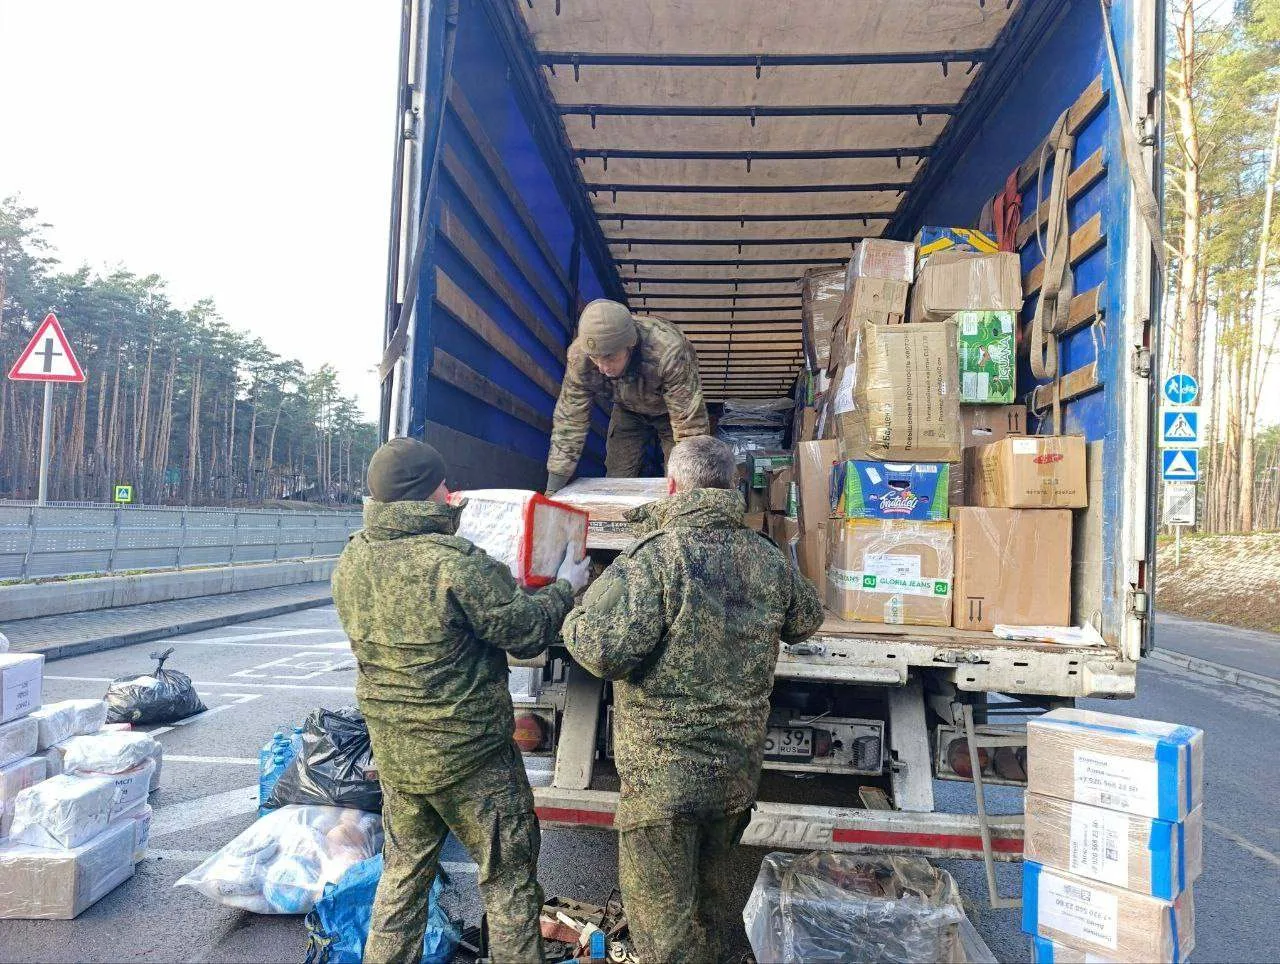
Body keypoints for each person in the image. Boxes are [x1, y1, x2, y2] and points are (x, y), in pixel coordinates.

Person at [561, 436, 824, 963]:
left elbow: (603, 652)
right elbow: (806, 619)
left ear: (672, 486)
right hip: (733, 775)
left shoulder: (654, 558)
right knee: (711, 906)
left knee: (664, 930)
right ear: (733, 486)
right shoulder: (765, 557)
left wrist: (573, 607)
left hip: (662, 783)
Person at [331, 437, 591, 964]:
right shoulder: (456, 564)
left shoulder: (352, 560)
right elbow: (526, 633)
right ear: (430, 492)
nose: (450, 490)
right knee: (509, 882)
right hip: (472, 759)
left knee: (402, 880)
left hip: (399, 756)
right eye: (443, 482)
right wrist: (565, 587)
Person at [546, 299, 710, 493]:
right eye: (595, 358)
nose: (603, 367)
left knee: (680, 481)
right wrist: (553, 489)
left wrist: (691, 489)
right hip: (627, 410)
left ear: (630, 346)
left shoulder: (669, 351)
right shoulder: (580, 357)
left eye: (610, 357)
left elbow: (689, 427)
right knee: (617, 477)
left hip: (670, 412)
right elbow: (570, 420)